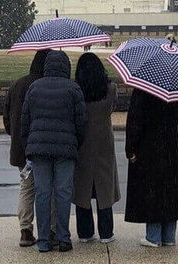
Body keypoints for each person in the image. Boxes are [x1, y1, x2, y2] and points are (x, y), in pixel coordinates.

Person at [22, 51, 87, 253]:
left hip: (39, 148)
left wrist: (29, 147)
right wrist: (76, 143)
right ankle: (63, 237)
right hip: (66, 148)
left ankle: (43, 240)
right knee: (63, 193)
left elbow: (25, 122)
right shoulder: (74, 89)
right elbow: (81, 123)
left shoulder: (34, 88)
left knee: (42, 193)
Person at [125, 89, 178, 248]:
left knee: (152, 189)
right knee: (169, 188)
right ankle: (169, 235)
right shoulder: (175, 86)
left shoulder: (143, 88)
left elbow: (134, 120)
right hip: (170, 142)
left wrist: (130, 148)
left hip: (149, 143)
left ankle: (153, 236)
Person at [3, 49, 50, 247]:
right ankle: (50, 230)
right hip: (43, 145)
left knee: (26, 188)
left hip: (21, 148)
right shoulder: (45, 86)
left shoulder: (17, 85)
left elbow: (6, 118)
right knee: (48, 189)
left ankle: (25, 229)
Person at [72, 53, 120, 244]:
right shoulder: (111, 90)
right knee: (104, 189)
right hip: (103, 145)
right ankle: (106, 233)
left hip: (82, 143)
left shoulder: (76, 91)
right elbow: (111, 109)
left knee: (82, 189)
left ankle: (85, 232)